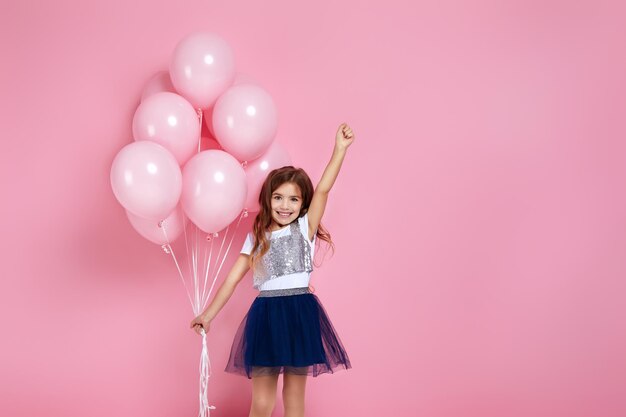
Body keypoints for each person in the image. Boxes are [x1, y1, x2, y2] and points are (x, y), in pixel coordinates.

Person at [190, 123, 355, 417]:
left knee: (294, 399)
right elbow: (233, 277)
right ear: (267, 198)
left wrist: (339, 150)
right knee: (262, 402)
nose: (285, 205)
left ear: (303, 204)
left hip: (299, 313)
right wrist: (208, 315)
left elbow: (324, 188)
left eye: (294, 199)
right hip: (266, 315)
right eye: (278, 197)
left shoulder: (306, 228)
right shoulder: (257, 236)